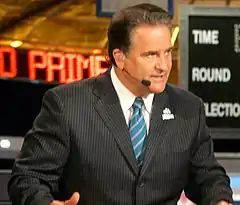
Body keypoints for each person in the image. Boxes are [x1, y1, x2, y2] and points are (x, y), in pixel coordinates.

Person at [8, 3, 233, 205]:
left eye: (167, 52)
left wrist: (220, 200)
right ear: (120, 57)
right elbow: (28, 178)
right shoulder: (67, 105)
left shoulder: (188, 108)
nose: (164, 66)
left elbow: (208, 177)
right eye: (151, 55)